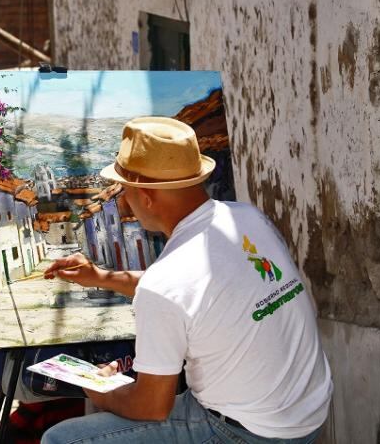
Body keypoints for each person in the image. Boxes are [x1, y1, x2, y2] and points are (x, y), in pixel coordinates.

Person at [41, 117, 332, 444]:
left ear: (147, 196)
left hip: (246, 433)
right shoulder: (246, 218)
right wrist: (99, 277)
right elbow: (193, 296)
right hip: (309, 416)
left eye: (126, 191)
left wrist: (98, 388)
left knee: (60, 439)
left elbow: (151, 407)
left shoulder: (168, 281)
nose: (124, 202)